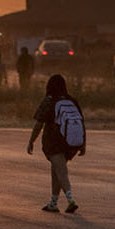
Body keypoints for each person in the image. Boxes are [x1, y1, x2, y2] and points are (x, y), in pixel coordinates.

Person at [26, 72, 84, 213]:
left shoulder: (49, 101)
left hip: (54, 142)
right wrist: (82, 145)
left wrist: (31, 141)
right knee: (56, 170)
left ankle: (71, 200)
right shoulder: (72, 101)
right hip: (70, 142)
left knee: (61, 172)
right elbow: (80, 122)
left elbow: (39, 123)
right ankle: (53, 202)